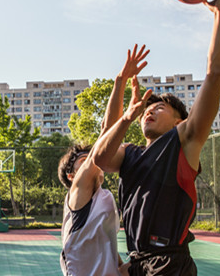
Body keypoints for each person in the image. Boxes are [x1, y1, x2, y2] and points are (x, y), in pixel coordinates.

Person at [91, 0, 220, 275]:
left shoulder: (184, 142)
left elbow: (215, 74)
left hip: (170, 265)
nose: (148, 112)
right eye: (146, 110)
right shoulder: (130, 154)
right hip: (139, 261)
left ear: (180, 120)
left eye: (159, 108)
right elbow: (100, 154)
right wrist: (120, 84)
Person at [57, 46, 151, 276]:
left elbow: (110, 256)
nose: (90, 159)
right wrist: (120, 81)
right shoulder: (77, 193)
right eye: (83, 159)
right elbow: (106, 133)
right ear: (71, 176)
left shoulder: (102, 197)